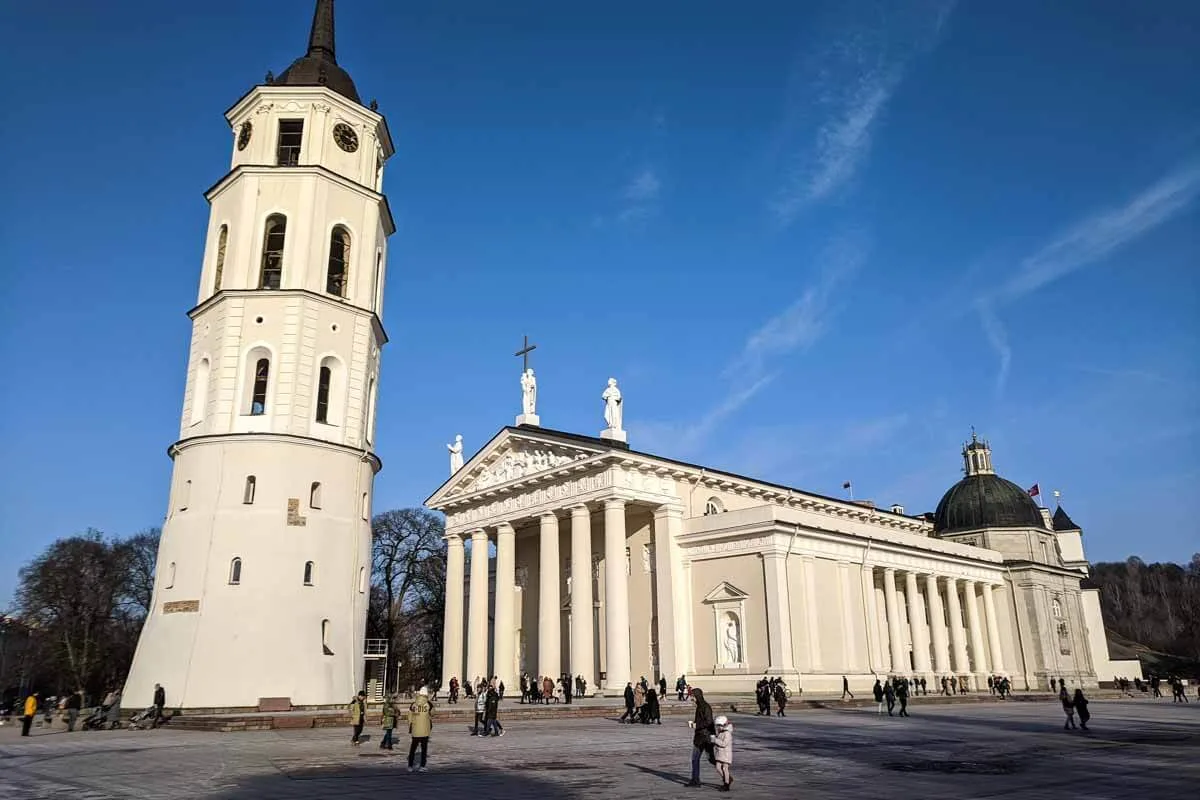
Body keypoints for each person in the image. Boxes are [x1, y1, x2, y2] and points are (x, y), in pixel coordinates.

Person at [687, 688, 716, 787]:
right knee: (695, 759)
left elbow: (709, 722)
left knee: (711, 759)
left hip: (705, 737)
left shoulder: (705, 707)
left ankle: (726, 776)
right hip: (699, 737)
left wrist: (696, 725)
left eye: (693, 696)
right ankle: (695, 780)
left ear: (697, 696)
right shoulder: (699, 706)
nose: (692, 698)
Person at [407, 687, 433, 772]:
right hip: (425, 730)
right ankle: (422, 766)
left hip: (416, 729)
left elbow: (410, 716)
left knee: (413, 748)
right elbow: (433, 713)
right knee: (424, 749)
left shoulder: (414, 704)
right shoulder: (428, 704)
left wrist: (410, 725)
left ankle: (410, 766)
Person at [709, 715, 734, 792]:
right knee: (718, 767)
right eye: (717, 726)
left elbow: (724, 743)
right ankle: (728, 778)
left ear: (724, 725)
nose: (718, 727)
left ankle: (726, 784)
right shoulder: (721, 732)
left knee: (724, 768)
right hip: (720, 754)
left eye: (719, 726)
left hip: (726, 755)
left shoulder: (727, 733)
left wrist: (715, 740)